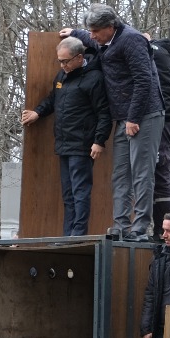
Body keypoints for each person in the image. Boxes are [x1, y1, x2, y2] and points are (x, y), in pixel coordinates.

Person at [63, 5, 163, 242]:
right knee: (120, 174)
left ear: (111, 26)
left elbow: (144, 80)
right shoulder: (102, 39)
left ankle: (140, 228)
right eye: (91, 30)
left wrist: (134, 118)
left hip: (144, 115)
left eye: (96, 30)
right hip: (122, 118)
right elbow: (89, 37)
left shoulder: (132, 40)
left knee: (141, 173)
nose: (93, 35)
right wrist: (74, 32)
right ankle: (120, 226)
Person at [21, 36, 111, 236]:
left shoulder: (94, 78)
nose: (62, 65)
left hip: (82, 144)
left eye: (65, 61)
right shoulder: (61, 77)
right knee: (68, 195)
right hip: (63, 143)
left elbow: (104, 113)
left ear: (79, 58)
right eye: (59, 61)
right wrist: (37, 112)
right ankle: (67, 235)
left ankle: (77, 235)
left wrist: (99, 141)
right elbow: (53, 99)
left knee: (80, 193)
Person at [147, 35, 170, 223]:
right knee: (161, 173)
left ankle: (163, 230)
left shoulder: (156, 53)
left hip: (164, 121)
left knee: (160, 176)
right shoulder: (168, 58)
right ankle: (163, 228)